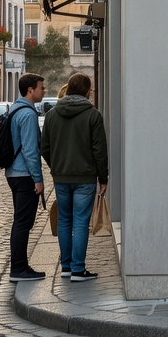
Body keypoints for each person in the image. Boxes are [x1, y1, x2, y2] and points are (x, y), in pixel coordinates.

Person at [40, 73, 108, 281]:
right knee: (80, 222)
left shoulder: (52, 115)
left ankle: (67, 267)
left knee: (65, 221)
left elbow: (45, 147)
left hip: (61, 177)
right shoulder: (92, 115)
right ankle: (78, 269)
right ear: (87, 91)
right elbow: (99, 151)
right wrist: (102, 177)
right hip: (85, 178)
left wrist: (57, 167)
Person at [7, 73, 47, 283]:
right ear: (30, 90)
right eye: (41, 87)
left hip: (13, 173)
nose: (44, 91)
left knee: (20, 222)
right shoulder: (28, 114)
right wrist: (38, 179)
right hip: (24, 175)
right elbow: (31, 150)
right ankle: (19, 268)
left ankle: (20, 265)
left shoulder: (14, 109)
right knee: (23, 222)